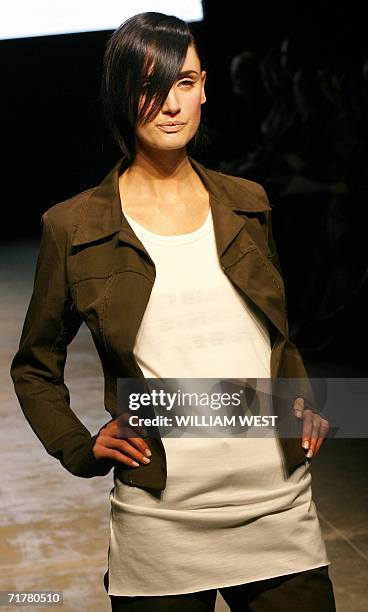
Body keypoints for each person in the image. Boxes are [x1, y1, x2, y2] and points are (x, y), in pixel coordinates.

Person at [10, 11, 336, 612]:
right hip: (160, 525)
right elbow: (34, 366)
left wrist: (302, 400)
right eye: (149, 85)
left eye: (184, 82)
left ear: (206, 86)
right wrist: (80, 446)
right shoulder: (74, 226)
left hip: (279, 511)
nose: (170, 104)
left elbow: (270, 338)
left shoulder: (248, 203)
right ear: (121, 95)